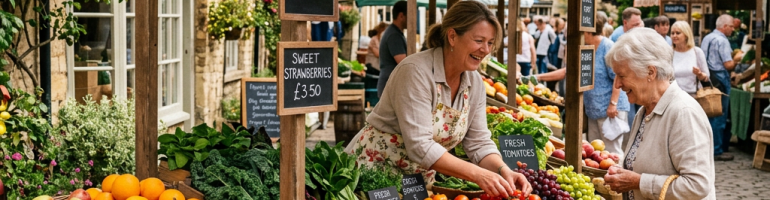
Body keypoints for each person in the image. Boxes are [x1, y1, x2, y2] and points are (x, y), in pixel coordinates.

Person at [344, 1, 533, 198]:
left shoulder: (474, 82)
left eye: (490, 42)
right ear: (452, 36)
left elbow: (479, 142)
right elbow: (420, 145)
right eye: (479, 40)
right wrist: (478, 175)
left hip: (416, 182)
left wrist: (503, 170)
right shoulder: (416, 72)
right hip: (374, 175)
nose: (485, 49)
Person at [604, 28, 716, 200]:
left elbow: (697, 185)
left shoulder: (683, 113)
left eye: (621, 75)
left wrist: (639, 182)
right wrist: (623, 163)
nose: (617, 84)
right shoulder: (645, 109)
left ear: (650, 72)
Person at [581, 12, 630, 157]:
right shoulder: (586, 47)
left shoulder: (608, 46)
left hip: (610, 109)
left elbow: (618, 76)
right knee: (595, 153)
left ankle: (617, 179)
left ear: (586, 29)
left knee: (612, 153)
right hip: (593, 109)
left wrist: (613, 104)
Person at [701, 14, 738, 161]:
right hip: (721, 81)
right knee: (719, 116)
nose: (732, 30)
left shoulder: (707, 38)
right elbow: (728, 64)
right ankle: (717, 150)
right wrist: (737, 58)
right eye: (731, 27)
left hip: (709, 79)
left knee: (708, 115)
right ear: (724, 26)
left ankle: (707, 148)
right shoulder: (722, 41)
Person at [377, 1, 408, 98]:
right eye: (410, 15)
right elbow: (403, 62)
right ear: (401, 15)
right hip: (390, 87)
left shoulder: (394, 32)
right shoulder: (394, 35)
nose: (413, 19)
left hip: (390, 85)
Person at [670, 21, 710, 95]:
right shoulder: (669, 52)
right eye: (672, 33)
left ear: (686, 35)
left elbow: (706, 77)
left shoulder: (697, 52)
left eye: (678, 33)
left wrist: (699, 74)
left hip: (693, 95)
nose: (674, 36)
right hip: (672, 95)